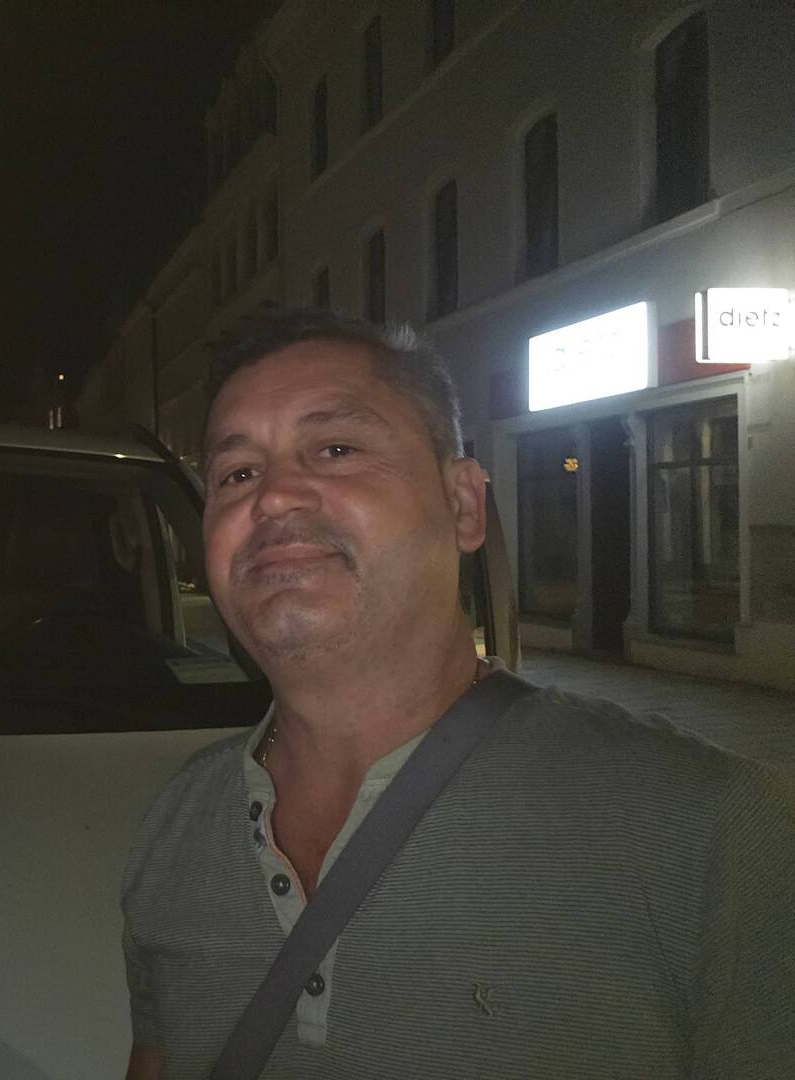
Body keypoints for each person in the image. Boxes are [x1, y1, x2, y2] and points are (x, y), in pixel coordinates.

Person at [121, 308, 795, 1079]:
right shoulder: (177, 824)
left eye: (336, 449)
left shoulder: (715, 834)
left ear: (464, 505)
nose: (271, 498)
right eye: (237, 474)